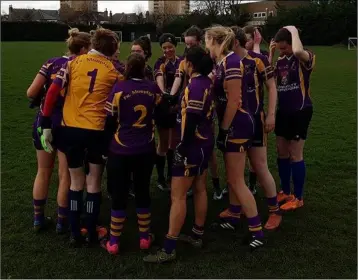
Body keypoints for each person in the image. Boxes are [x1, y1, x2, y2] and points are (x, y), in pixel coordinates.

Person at [38, 28, 123, 246]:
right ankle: (92, 233)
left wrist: (45, 123)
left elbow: (52, 92)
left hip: (70, 130)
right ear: (113, 48)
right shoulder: (114, 70)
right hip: (96, 131)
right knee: (94, 182)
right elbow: (117, 104)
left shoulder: (72, 63)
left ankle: (75, 233)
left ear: (93, 44)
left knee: (75, 183)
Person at [144, 46, 215, 263]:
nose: (181, 64)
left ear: (190, 65)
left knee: (178, 196)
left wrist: (182, 147)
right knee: (200, 188)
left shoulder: (194, 85)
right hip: (205, 143)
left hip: (192, 146)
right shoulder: (206, 82)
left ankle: (169, 248)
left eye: (185, 61)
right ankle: (197, 234)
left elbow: (192, 119)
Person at [205, 25, 264, 250]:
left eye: (207, 42)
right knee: (233, 178)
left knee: (237, 181)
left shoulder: (230, 63)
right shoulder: (221, 62)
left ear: (215, 41)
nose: (205, 46)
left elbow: (234, 101)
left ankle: (257, 231)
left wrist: (223, 129)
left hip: (237, 126)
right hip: (234, 126)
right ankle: (232, 217)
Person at [27, 28, 91, 234]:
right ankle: (62, 222)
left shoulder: (51, 62)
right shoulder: (81, 66)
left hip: (43, 121)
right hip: (66, 124)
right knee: (65, 176)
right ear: (83, 49)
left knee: (43, 171)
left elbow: (31, 92)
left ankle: (38, 219)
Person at [218, 26, 282, 230]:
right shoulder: (225, 62)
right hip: (234, 123)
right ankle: (235, 209)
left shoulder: (258, 60)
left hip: (254, 120)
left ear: (234, 42)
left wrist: (271, 114)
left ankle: (274, 211)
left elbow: (271, 86)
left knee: (259, 165)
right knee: (234, 170)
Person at [102, 53, 161, 255]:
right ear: (144, 68)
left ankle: (114, 242)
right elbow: (162, 111)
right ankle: (144, 238)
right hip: (145, 148)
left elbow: (109, 118)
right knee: (143, 190)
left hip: (120, 148)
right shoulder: (152, 87)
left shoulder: (119, 88)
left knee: (119, 193)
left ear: (127, 67)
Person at [170, 25, 223, 200]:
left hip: (201, 105)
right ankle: (193, 183)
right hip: (188, 102)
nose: (188, 47)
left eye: (191, 44)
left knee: (208, 151)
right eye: (186, 44)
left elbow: (210, 80)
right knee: (190, 142)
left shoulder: (206, 59)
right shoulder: (185, 59)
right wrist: (172, 96)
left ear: (199, 43)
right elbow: (179, 77)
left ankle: (215, 185)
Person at [272, 26, 315, 211]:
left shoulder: (305, 57)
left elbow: (297, 50)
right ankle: (285, 190)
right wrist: (273, 53)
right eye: (280, 48)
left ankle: (298, 197)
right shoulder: (280, 60)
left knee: (295, 154)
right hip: (283, 111)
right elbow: (267, 76)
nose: (282, 51)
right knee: (281, 152)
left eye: (284, 47)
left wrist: (294, 30)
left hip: (300, 111)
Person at [153, 33, 182, 191]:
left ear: (175, 46)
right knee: (163, 142)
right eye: (164, 48)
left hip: (177, 105)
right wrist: (164, 94)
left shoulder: (181, 61)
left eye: (170, 47)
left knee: (174, 142)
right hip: (163, 106)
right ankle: (161, 178)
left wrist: (175, 98)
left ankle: (171, 175)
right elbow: (158, 77)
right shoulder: (160, 62)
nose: (167, 50)